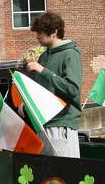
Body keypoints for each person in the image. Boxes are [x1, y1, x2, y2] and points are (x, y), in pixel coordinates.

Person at [25, 12, 82, 158]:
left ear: (54, 32)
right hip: (43, 124)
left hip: (62, 124)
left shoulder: (70, 54)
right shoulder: (44, 56)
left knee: (64, 176)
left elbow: (73, 90)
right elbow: (42, 90)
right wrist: (26, 103)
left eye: (40, 32)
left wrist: (43, 71)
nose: (37, 36)